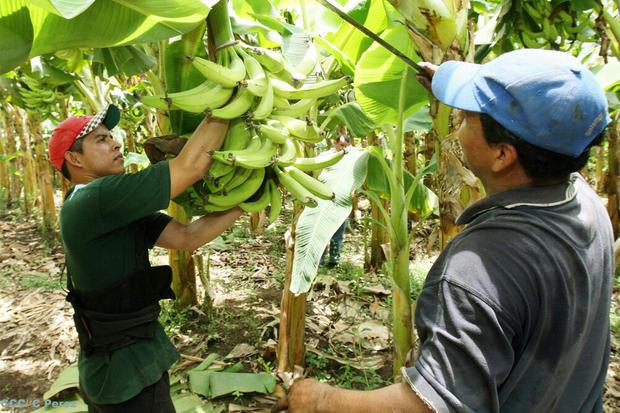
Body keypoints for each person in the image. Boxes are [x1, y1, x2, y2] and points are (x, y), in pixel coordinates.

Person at [273, 49, 613, 412]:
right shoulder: (585, 204)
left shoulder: (480, 268)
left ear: (503, 155)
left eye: (466, 118)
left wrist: (323, 400)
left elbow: (431, 406)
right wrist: (453, 88)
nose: (457, 123)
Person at [49, 106, 243, 412]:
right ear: (74, 159)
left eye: (111, 136)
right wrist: (230, 103)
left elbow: (185, 237)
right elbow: (190, 168)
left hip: (126, 366)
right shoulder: (94, 199)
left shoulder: (109, 208)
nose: (115, 143)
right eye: (101, 140)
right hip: (125, 378)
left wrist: (244, 204)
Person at [321, 134, 352, 268]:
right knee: (322, 231)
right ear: (335, 143)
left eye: (346, 146)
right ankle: (320, 259)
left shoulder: (349, 158)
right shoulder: (325, 156)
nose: (343, 148)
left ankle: (334, 260)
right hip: (324, 197)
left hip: (341, 199)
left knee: (338, 232)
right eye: (341, 145)